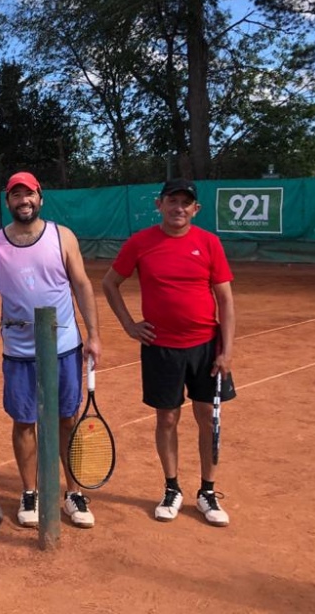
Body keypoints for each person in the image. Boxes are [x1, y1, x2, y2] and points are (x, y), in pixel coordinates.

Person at [101, 177, 236, 527]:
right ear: (159, 205)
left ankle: (207, 491)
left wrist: (227, 351)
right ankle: (172, 488)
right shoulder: (140, 242)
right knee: (168, 418)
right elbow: (110, 283)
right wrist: (130, 326)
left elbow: (225, 299)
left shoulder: (209, 243)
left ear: (196, 209)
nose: (178, 208)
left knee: (207, 417)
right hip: (161, 349)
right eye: (171, 201)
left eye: (185, 202)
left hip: (206, 347)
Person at [0, 171, 103, 529]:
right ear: (8, 201)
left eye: (28, 194)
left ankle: (73, 493)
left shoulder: (63, 237)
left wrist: (93, 334)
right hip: (18, 351)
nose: (23, 200)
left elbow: (81, 284)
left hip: (63, 348)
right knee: (24, 421)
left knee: (66, 419)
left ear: (39, 198)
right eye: (16, 195)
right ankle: (29, 492)